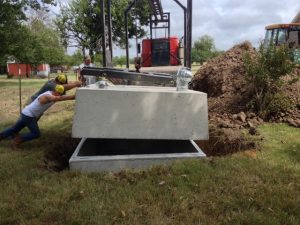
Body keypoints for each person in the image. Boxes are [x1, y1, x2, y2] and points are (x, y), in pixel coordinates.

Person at [0, 85, 75, 149]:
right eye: (59, 93)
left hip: (26, 113)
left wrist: (75, 97)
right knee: (36, 133)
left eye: (60, 94)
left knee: (14, 129)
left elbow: (60, 98)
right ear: (55, 91)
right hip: (29, 115)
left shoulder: (53, 95)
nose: (59, 95)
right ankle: (17, 140)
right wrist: (72, 96)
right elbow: (59, 98)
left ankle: (1, 136)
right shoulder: (47, 96)